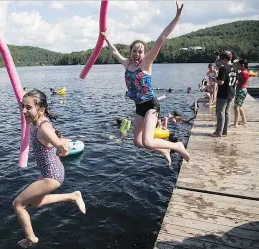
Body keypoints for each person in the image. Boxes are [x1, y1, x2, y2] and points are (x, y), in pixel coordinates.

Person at [101, 1, 190, 166]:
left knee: (148, 141)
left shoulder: (146, 63)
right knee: (138, 142)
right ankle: (164, 150)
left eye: (140, 51)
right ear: (130, 52)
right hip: (139, 106)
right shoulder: (127, 64)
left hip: (151, 105)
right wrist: (106, 38)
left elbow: (161, 38)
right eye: (134, 51)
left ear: (144, 53)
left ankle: (176, 146)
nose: (137, 54)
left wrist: (177, 17)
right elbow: (114, 52)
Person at [12, 89, 85, 248]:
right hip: (48, 171)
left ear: (41, 109)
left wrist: (61, 147)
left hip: (52, 175)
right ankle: (73, 196)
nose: (24, 111)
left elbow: (62, 148)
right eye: (23, 106)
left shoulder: (43, 127)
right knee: (35, 204)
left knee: (18, 204)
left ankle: (31, 238)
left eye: (28, 107)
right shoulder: (36, 120)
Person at [212, 51, 236, 137]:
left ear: (225, 59)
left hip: (223, 94)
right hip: (231, 93)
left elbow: (221, 82)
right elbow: (235, 81)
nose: (220, 61)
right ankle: (225, 131)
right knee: (227, 112)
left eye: (221, 59)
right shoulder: (235, 67)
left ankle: (218, 132)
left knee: (220, 112)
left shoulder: (223, 68)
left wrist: (214, 80)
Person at [232, 59, 249, 127]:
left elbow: (236, 80)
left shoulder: (242, 73)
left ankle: (235, 123)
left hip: (240, 90)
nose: (237, 66)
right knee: (240, 106)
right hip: (243, 89)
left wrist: (235, 68)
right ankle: (243, 120)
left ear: (242, 65)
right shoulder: (245, 71)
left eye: (238, 65)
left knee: (236, 106)